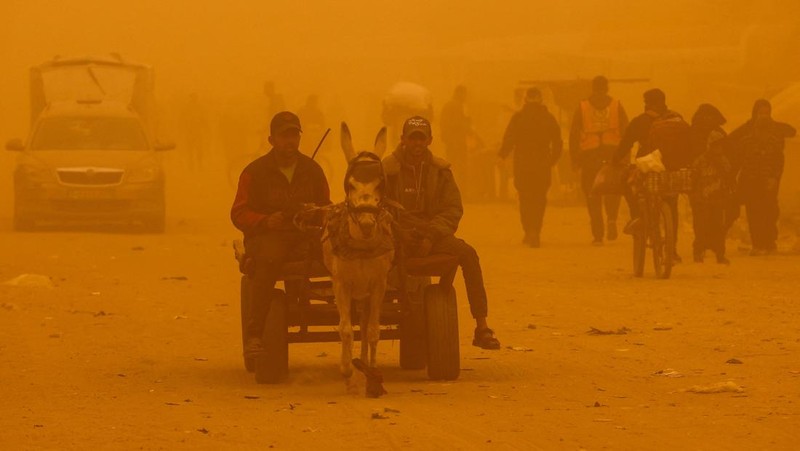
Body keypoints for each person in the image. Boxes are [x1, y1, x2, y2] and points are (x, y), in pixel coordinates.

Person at [382, 116, 501, 350]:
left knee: (468, 254)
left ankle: (482, 326)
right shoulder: (387, 170)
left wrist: (431, 236)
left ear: (429, 140)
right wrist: (400, 233)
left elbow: (452, 209)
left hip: (431, 234)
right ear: (403, 139)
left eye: (421, 138)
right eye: (412, 138)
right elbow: (377, 207)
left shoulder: (441, 171)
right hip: (395, 237)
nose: (417, 143)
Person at [231, 111, 331, 357]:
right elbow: (238, 213)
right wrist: (265, 221)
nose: (290, 141)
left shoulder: (313, 170)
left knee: (341, 253)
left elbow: (327, 207)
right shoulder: (254, 172)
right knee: (269, 261)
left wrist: (315, 213)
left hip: (305, 235)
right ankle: (255, 334)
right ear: (271, 139)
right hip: (268, 238)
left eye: (294, 135)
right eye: (284, 136)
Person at [612, 88, 692, 262]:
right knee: (671, 205)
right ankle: (672, 249)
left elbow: (625, 144)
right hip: (672, 170)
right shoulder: (676, 118)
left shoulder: (640, 121)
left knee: (628, 183)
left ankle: (637, 218)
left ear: (646, 103)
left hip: (648, 168)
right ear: (664, 102)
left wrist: (615, 160)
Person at [728, 99, 796, 255]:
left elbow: (781, 156)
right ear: (755, 114)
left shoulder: (775, 132)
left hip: (769, 180)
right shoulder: (747, 132)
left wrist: (774, 178)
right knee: (754, 212)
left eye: (766, 113)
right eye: (760, 113)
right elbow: (735, 148)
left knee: (770, 212)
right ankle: (758, 244)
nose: (763, 117)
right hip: (750, 180)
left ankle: (769, 242)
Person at [498, 87, 563, 247]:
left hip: (523, 165)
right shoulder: (548, 118)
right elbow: (558, 142)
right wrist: (552, 160)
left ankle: (528, 230)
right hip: (542, 166)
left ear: (525, 100)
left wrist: (501, 155)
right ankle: (536, 231)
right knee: (540, 199)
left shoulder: (518, 118)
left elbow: (509, 139)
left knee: (525, 198)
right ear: (541, 100)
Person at [570, 76, 628, 245]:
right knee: (613, 189)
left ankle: (597, 234)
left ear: (592, 88)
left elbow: (574, 134)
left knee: (592, 192)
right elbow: (626, 130)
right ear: (607, 88)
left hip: (590, 155)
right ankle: (611, 219)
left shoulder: (582, 106)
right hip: (613, 154)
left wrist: (575, 159)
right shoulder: (616, 105)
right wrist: (625, 156)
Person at [688, 104, 732, 264]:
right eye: (716, 146)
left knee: (718, 227)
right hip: (701, 199)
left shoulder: (723, 161)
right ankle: (698, 251)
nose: (719, 149)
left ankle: (719, 254)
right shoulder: (700, 161)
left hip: (718, 199)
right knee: (701, 227)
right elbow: (693, 177)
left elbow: (728, 175)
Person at [440, 85, 471, 179]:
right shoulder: (457, 106)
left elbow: (443, 123)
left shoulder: (447, 105)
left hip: (450, 141)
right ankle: (459, 186)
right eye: (465, 94)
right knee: (460, 165)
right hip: (457, 141)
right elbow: (458, 124)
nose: (466, 97)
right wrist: (467, 122)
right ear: (460, 94)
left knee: (451, 163)